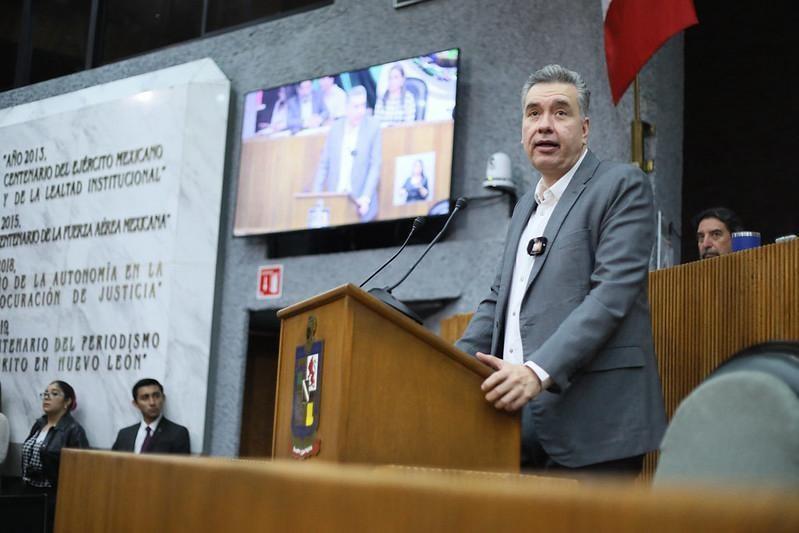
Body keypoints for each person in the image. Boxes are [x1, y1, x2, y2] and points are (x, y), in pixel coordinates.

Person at [456, 65, 666, 475]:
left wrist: (537, 371)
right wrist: (444, 365)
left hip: (594, 426)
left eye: (560, 112)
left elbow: (611, 295)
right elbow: (499, 299)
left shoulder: (621, 185)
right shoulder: (523, 208)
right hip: (512, 426)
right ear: (521, 129)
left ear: (584, 128)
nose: (545, 125)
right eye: (533, 114)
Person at [21, 380, 89, 532]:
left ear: (67, 401)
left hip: (53, 497)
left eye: (54, 394)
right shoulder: (39, 424)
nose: (47, 397)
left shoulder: (73, 430)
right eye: (45, 394)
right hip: (28, 493)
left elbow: (81, 469)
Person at [312, 85, 382, 221]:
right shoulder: (335, 128)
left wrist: (366, 198)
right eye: (356, 107)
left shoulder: (373, 126)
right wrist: (316, 197)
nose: (361, 111)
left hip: (361, 205)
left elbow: (375, 166)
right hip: (336, 203)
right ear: (346, 108)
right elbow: (323, 165)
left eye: (363, 105)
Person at [112, 378, 190, 454]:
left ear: (163, 398)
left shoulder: (177, 433)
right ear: (135, 404)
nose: (152, 402)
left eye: (156, 396)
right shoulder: (124, 434)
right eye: (145, 398)